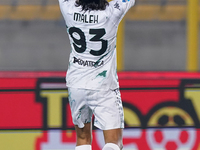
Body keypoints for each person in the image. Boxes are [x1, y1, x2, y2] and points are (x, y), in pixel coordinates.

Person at [58, 0, 135, 149]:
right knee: (114, 142)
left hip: (76, 85)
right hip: (103, 86)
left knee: (82, 139)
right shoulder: (113, 12)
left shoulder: (68, 8)